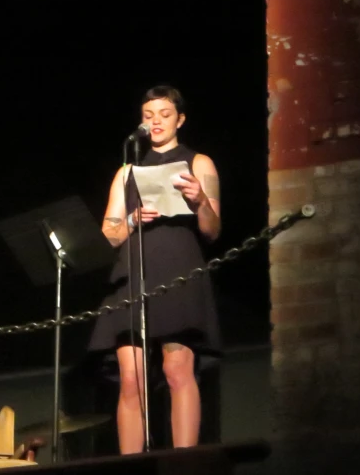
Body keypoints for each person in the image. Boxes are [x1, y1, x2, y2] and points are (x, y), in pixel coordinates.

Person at [87, 85, 222, 454]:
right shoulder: (127, 171)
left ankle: (184, 461)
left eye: (164, 114)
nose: (156, 121)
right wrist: (130, 220)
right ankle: (130, 463)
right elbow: (108, 233)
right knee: (131, 381)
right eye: (149, 116)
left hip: (177, 270)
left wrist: (200, 202)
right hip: (132, 273)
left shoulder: (199, 163)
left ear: (180, 119)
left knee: (177, 371)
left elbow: (212, 229)